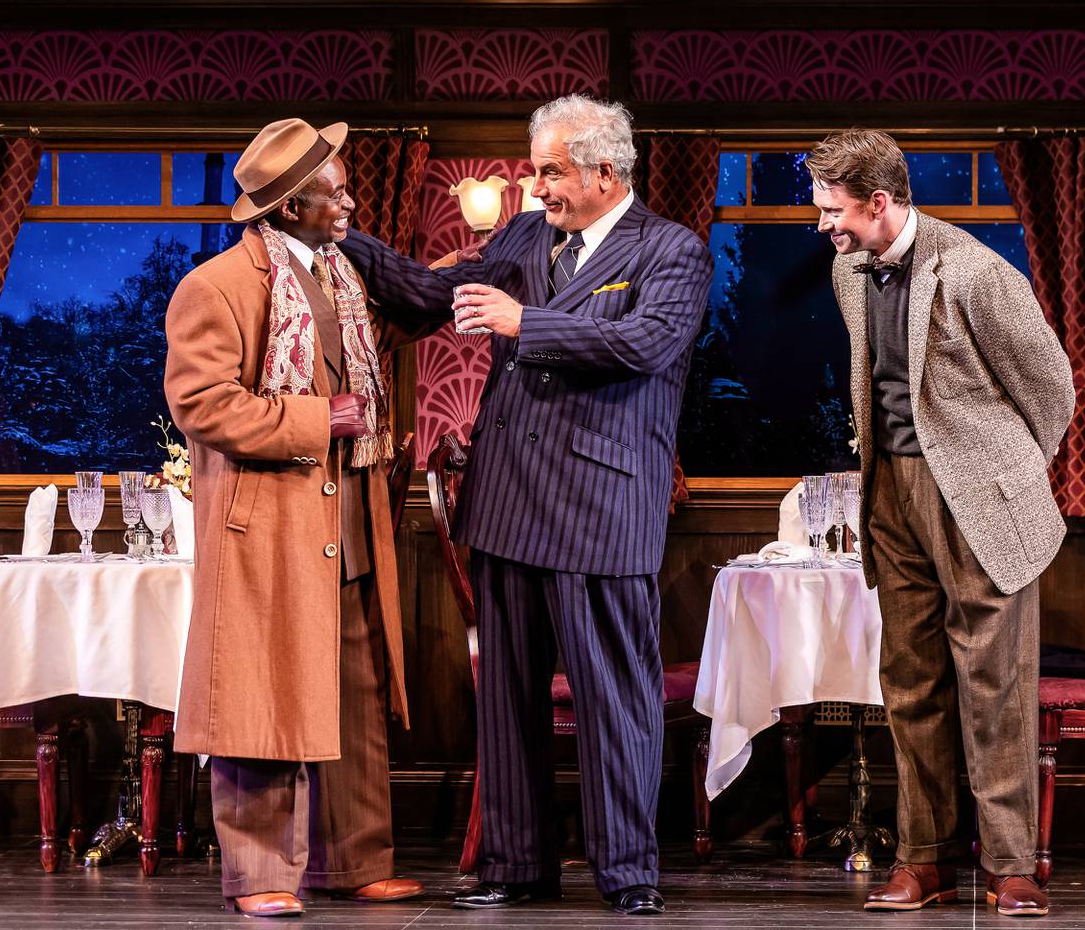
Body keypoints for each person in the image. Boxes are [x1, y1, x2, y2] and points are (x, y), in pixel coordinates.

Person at [340, 94, 712, 917]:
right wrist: (343, 239)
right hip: (507, 503)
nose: (534, 184)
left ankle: (627, 873)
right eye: (536, 167)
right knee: (507, 700)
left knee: (614, 699)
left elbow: (645, 344)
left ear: (604, 171)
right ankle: (515, 866)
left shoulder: (670, 252)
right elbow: (438, 296)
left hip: (601, 510)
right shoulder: (522, 236)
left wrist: (524, 322)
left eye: (550, 170)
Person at [807, 129, 1075, 918]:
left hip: (976, 496)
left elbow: (1051, 388)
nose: (823, 225)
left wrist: (1011, 475)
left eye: (834, 210)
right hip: (889, 490)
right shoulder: (846, 271)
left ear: (880, 202)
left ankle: (1011, 865)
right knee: (909, 682)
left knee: (994, 684)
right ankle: (923, 860)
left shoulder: (975, 273)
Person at [164, 118, 424, 918]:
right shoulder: (217, 286)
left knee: (355, 694)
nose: (348, 201)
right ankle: (262, 875)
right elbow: (201, 404)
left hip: (348, 524)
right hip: (266, 529)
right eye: (333, 191)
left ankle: (354, 860)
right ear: (286, 207)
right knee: (261, 701)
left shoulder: (342, 275)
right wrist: (318, 420)